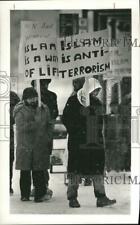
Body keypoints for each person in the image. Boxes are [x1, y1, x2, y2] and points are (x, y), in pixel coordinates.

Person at [62, 78, 116, 208]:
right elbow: (66, 119)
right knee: (77, 170)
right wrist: (77, 130)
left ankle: (100, 197)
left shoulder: (95, 102)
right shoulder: (74, 101)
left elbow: (98, 122)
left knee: (94, 170)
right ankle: (73, 198)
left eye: (98, 91)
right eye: (95, 90)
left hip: (91, 142)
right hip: (80, 142)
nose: (96, 93)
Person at [13, 87, 53, 202]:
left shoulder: (43, 108)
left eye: (35, 97)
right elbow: (21, 127)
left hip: (40, 144)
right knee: (25, 171)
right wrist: (36, 123)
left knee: (39, 171)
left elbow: (49, 124)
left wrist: (48, 136)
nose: (33, 100)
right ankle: (24, 195)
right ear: (25, 99)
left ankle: (39, 195)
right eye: (30, 98)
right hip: (25, 145)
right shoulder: (20, 110)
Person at [31, 79, 58, 196]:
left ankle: (40, 186)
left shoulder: (31, 96)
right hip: (45, 131)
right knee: (43, 158)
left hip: (38, 131)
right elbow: (55, 113)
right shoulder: (51, 96)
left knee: (37, 159)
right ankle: (42, 185)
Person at [10, 91, 20, 194]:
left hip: (8, 133)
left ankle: (8, 184)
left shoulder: (12, 96)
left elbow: (17, 113)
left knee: (9, 160)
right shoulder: (12, 96)